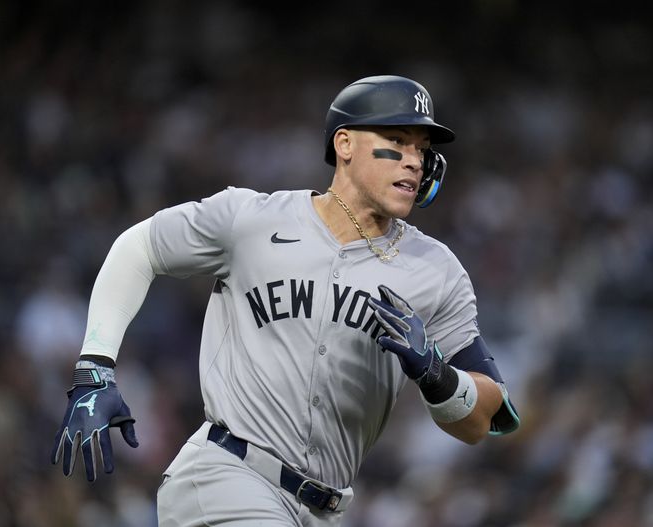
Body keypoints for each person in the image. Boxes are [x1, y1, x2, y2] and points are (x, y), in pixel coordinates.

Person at [51, 75, 520, 526]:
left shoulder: (436, 270)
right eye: (397, 140)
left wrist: (439, 376)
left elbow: (483, 416)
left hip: (322, 510)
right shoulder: (250, 219)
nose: (414, 160)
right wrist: (95, 366)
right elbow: (139, 248)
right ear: (345, 145)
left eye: (422, 148)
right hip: (227, 476)